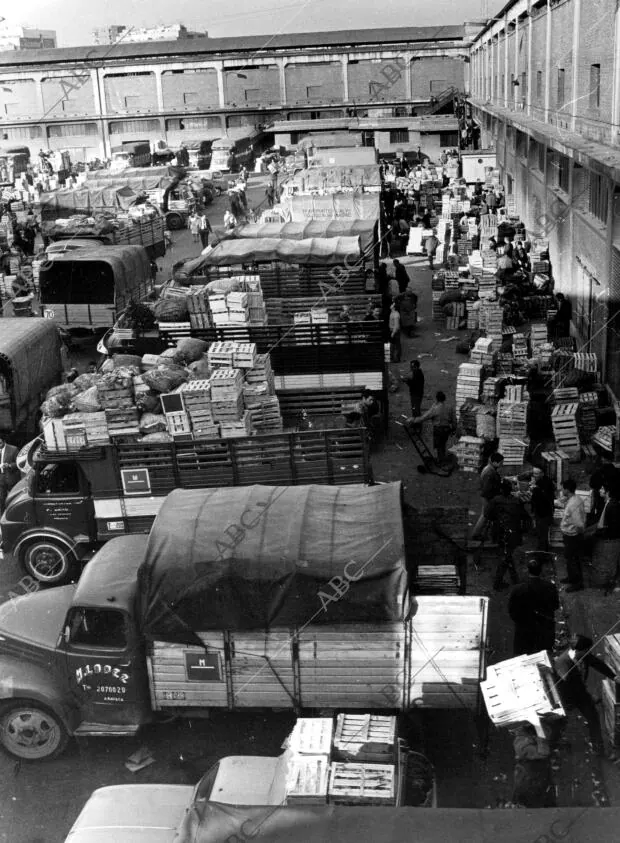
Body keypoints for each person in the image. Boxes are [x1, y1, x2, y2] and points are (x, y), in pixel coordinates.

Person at [553, 634, 620, 758]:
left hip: (581, 694)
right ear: (577, 650)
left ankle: (598, 750)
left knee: (593, 718)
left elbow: (596, 663)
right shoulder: (563, 663)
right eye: (586, 650)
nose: (588, 652)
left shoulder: (583, 655)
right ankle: (554, 744)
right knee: (559, 722)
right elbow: (565, 685)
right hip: (566, 696)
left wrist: (614, 676)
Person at [508, 557, 559, 655]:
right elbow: (555, 606)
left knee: (523, 657)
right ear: (541, 571)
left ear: (528, 570)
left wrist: (521, 621)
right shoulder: (550, 587)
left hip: (524, 628)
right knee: (544, 657)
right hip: (544, 628)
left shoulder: (518, 589)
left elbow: (512, 611)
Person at [488, 480, 529, 590]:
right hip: (512, 533)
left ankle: (513, 579)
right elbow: (525, 516)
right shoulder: (516, 501)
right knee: (506, 556)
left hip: (499, 532)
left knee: (506, 555)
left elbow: (488, 514)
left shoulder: (495, 500)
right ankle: (499, 582)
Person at [511, 723, 556, 808]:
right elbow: (540, 752)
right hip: (529, 771)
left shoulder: (540, 729)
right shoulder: (521, 736)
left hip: (540, 773)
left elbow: (543, 751)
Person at [588, 479, 620, 592]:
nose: (600, 490)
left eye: (602, 488)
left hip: (610, 541)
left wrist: (597, 534)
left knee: (608, 563)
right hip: (607, 538)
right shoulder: (608, 503)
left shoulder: (612, 506)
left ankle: (608, 583)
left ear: (608, 492)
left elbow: (612, 528)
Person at [410, 390, 456, 465]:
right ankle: (442, 458)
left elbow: (424, 417)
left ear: (437, 399)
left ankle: (441, 461)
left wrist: (414, 420)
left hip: (439, 429)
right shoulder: (449, 407)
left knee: (439, 446)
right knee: (443, 444)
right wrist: (453, 428)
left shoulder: (435, 408)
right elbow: (454, 419)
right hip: (447, 429)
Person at [560, 477, 586, 592]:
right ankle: (571, 578)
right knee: (569, 559)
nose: (561, 490)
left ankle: (577, 583)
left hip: (573, 537)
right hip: (570, 535)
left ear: (567, 490)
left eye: (563, 488)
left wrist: (578, 535)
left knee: (573, 560)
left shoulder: (573, 505)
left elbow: (579, 523)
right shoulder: (576, 499)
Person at [471, 452, 505, 541]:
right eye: (501, 463)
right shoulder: (489, 472)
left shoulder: (490, 469)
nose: (502, 465)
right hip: (488, 497)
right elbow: (487, 490)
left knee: (485, 515)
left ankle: (480, 533)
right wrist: (494, 498)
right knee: (485, 516)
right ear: (494, 462)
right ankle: (476, 534)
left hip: (487, 496)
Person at [530, 467, 555, 552]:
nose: (534, 475)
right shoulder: (540, 482)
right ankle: (543, 550)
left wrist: (535, 489)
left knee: (542, 533)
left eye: (536, 473)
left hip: (544, 513)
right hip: (541, 512)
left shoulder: (545, 484)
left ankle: (542, 552)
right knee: (541, 533)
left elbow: (543, 498)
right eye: (534, 473)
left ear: (542, 473)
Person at [0, 437, 19, 515]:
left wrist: (9, 465)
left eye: (0, 443)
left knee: (13, 500)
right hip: (1, 480)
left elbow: (19, 463)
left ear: (4, 441)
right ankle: (2, 518)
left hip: (11, 478)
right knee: (1, 500)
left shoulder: (13, 449)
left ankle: (13, 515)